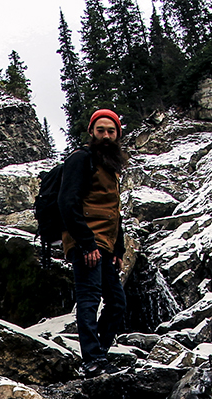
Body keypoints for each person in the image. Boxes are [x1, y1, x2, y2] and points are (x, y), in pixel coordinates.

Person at [58, 108, 129, 368]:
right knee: (89, 298)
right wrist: (86, 242)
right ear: (91, 132)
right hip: (86, 241)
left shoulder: (111, 167)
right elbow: (67, 202)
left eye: (111, 131)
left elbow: (114, 213)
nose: (106, 135)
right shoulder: (81, 159)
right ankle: (93, 358)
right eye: (101, 130)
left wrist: (118, 250)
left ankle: (98, 351)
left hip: (106, 244)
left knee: (117, 303)